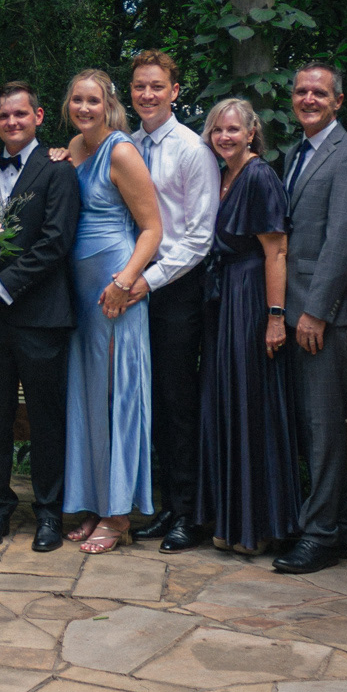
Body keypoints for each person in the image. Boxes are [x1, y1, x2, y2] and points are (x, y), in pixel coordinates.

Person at [271, 61, 347, 576]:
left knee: (322, 429)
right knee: (307, 427)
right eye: (301, 91)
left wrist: (316, 312)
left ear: (338, 101)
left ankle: (320, 536)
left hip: (324, 319)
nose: (308, 99)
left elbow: (343, 241)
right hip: (291, 310)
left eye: (319, 92)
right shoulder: (295, 154)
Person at [0, 81, 80, 555]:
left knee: (45, 416)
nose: (12, 122)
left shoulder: (59, 170)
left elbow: (55, 242)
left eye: (20, 114)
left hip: (41, 315)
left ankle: (49, 511)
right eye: (3, 116)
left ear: (38, 116)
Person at [59, 70, 161, 556]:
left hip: (114, 291)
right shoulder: (73, 148)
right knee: (87, 397)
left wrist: (125, 282)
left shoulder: (121, 151)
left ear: (109, 105)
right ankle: (93, 501)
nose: (84, 108)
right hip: (78, 296)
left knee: (118, 396)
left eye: (93, 100)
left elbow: (153, 229)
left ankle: (118, 513)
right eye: (77, 100)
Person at [122, 50, 220, 555]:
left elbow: (200, 237)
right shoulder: (129, 145)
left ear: (175, 91)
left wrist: (150, 280)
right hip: (135, 284)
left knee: (179, 401)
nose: (148, 94)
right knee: (152, 400)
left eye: (157, 86)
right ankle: (168, 504)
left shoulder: (192, 149)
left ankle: (191, 513)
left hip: (176, 286)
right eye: (140, 86)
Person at [196, 97, 299, 557]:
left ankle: (259, 525)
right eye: (218, 129)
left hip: (251, 297)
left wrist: (276, 317)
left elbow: (277, 250)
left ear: (252, 133)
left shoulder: (259, 176)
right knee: (225, 403)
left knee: (250, 404)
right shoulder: (222, 175)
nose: (224, 136)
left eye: (233, 129)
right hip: (223, 299)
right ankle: (231, 519)